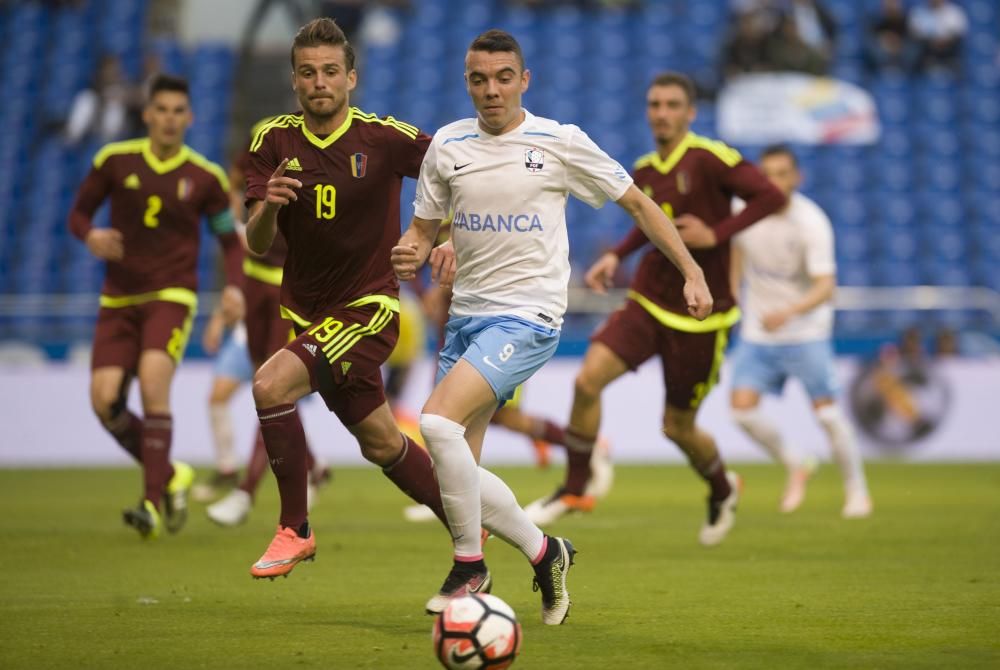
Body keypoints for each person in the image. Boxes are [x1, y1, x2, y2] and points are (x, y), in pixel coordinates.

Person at [392, 30, 712, 623]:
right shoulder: (447, 146)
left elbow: (640, 205)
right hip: (466, 314)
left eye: (503, 77)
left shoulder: (558, 142)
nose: (491, 90)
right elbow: (425, 227)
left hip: (530, 315)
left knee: (435, 422)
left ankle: (470, 567)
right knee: (456, 466)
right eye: (479, 79)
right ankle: (545, 552)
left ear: (524, 80)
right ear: (467, 82)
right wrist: (419, 249)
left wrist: (692, 270)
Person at [524, 71, 786, 547]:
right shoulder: (645, 169)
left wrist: (718, 234)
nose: (661, 113)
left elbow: (771, 195)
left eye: (671, 105)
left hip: (703, 316)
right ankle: (576, 487)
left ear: (690, 113)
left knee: (678, 428)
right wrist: (615, 256)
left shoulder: (711, 159)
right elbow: (646, 221)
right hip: (648, 299)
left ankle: (723, 487)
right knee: (587, 381)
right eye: (654, 104)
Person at [242, 17, 460, 580]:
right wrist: (268, 205)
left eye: (331, 72)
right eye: (309, 72)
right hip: (308, 315)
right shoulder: (272, 142)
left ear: (352, 78)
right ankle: (475, 527)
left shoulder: (382, 138)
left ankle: (296, 528)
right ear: (294, 81)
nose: (320, 82)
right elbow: (258, 243)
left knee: (269, 385)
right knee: (384, 443)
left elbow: (456, 173)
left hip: (369, 310)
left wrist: (442, 235)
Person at [68, 74, 245, 539]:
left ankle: (149, 502)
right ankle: (169, 474)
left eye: (177, 111)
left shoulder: (205, 177)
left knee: (152, 383)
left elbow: (230, 241)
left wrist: (234, 288)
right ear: (147, 114)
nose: (169, 119)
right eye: (161, 110)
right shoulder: (113, 161)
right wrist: (91, 235)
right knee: (105, 402)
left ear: (190, 118)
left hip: (171, 295)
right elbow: (77, 214)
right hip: (118, 298)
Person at [728, 145, 872, 518]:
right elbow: (737, 250)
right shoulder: (744, 211)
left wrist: (788, 312)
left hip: (806, 332)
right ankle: (797, 461)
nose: (774, 181)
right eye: (767, 174)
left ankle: (857, 491)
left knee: (827, 416)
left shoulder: (812, 222)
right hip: (759, 333)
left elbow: (827, 286)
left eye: (782, 173)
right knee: (742, 412)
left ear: (796, 178)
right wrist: (732, 294)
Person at [204, 120, 330, 526]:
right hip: (253, 285)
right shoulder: (263, 140)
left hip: (289, 287)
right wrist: (233, 292)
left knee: (272, 388)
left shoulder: (327, 153)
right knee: (271, 390)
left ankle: (245, 492)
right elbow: (236, 193)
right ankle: (313, 466)